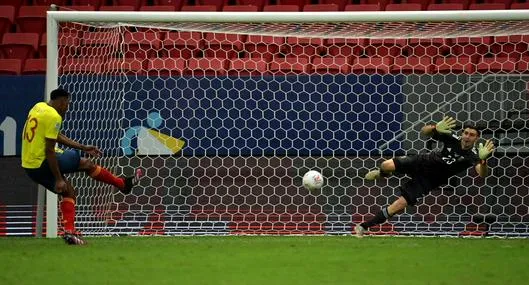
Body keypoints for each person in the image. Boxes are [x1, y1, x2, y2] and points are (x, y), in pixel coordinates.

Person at [21, 88, 143, 245]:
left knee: (72, 186)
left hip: (30, 165)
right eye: (68, 103)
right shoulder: (54, 116)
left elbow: (53, 135)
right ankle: (122, 184)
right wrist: (58, 178)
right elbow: (49, 150)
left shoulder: (39, 107)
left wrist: (82, 146)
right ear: (62, 101)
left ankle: (70, 232)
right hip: (42, 161)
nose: (68, 107)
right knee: (74, 158)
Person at [355, 116, 495, 237]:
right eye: (465, 133)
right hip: (424, 162)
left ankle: (363, 227)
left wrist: (483, 161)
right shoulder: (453, 138)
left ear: (476, 138)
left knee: (399, 205)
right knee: (386, 165)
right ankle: (382, 174)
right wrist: (434, 127)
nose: (467, 137)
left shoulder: (475, 155)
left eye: (471, 135)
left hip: (431, 179)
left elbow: (482, 174)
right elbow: (424, 132)